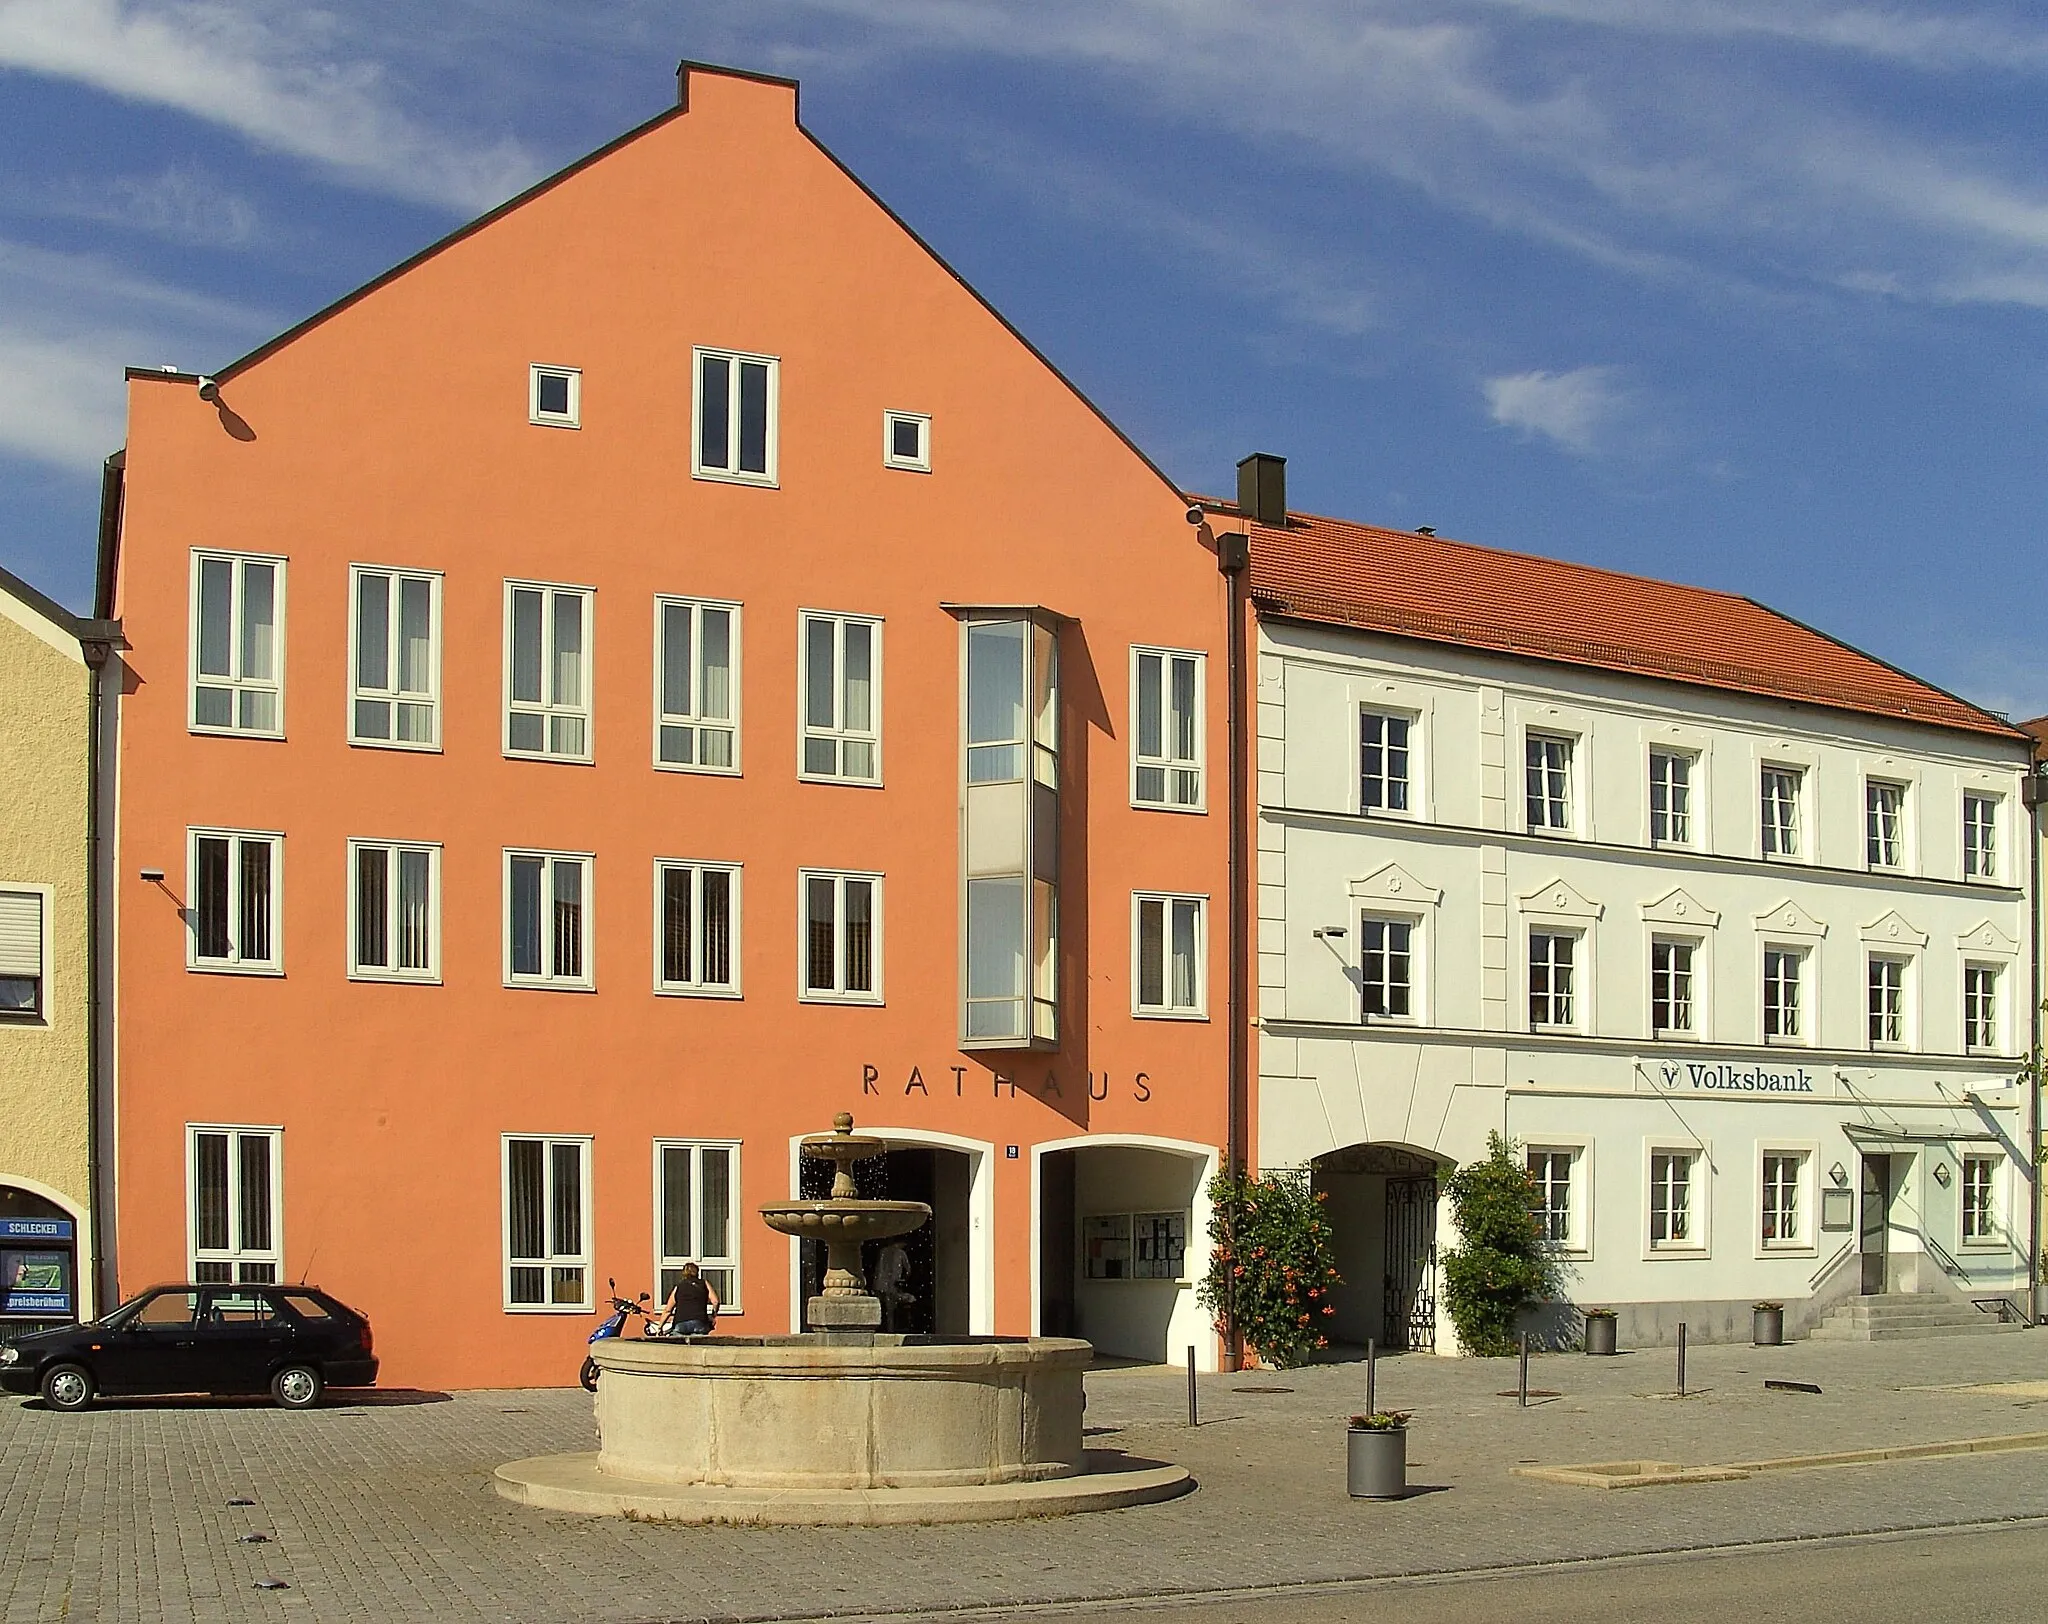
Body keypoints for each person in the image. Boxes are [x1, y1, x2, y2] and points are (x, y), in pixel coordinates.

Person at [657, 1262, 720, 1336]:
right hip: (700, 1322)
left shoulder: (679, 1286)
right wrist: (713, 1316)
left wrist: (660, 1327)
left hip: (681, 1323)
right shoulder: (704, 1283)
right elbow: (715, 1302)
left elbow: (668, 1310)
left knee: (677, 1343)